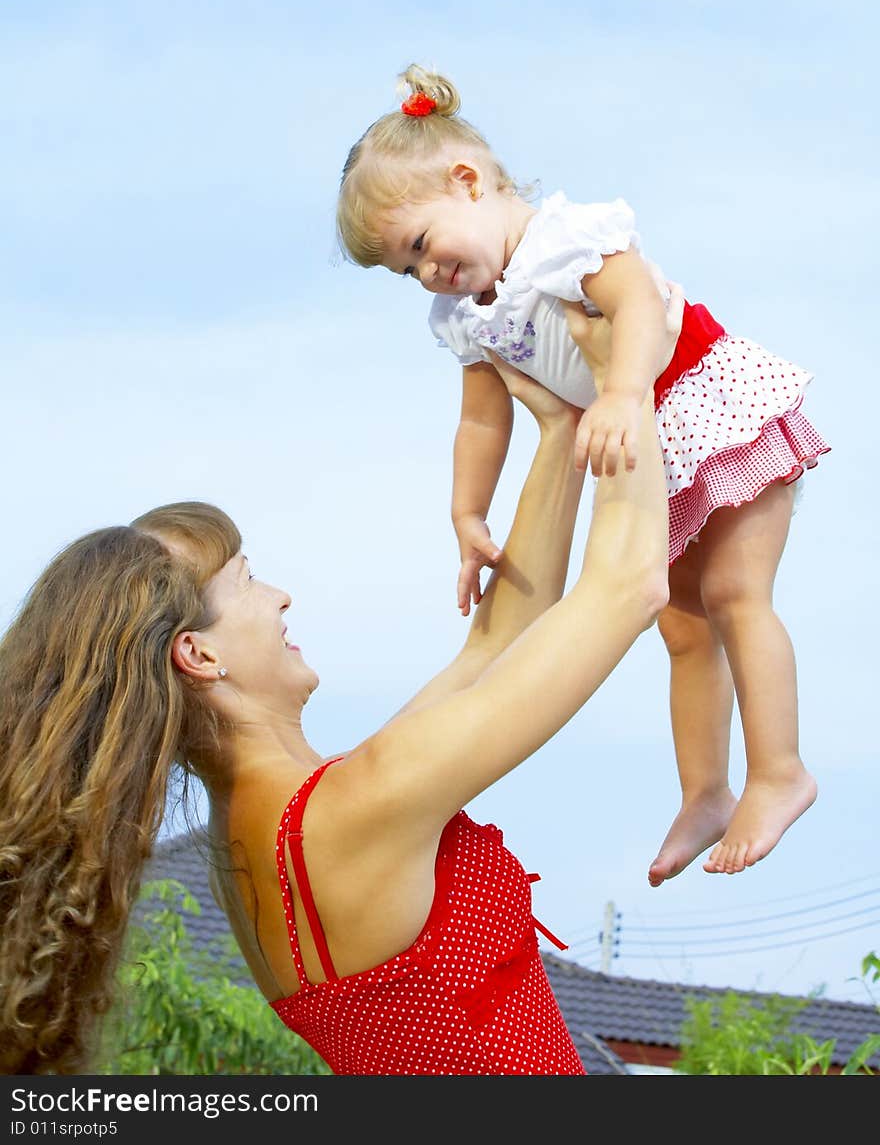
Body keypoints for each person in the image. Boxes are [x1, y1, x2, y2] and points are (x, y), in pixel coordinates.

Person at [0, 302, 677, 1077]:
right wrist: (632, 374)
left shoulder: (269, 840)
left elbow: (495, 645)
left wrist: (561, 430)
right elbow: (628, 585)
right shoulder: (353, 812)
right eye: (249, 581)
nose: (280, 596)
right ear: (198, 654)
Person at [334, 64, 832, 887]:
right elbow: (481, 417)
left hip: (705, 403)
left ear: (467, 183)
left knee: (737, 596)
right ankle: (705, 791)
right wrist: (467, 516)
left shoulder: (562, 237)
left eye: (420, 244)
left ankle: (780, 771)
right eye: (403, 269)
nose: (425, 274)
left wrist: (624, 391)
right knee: (681, 627)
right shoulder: (467, 314)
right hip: (644, 454)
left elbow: (637, 302)